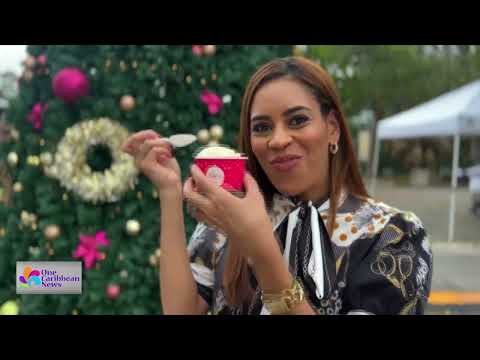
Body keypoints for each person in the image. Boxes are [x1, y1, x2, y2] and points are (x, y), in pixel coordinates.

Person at [121, 56, 433, 315]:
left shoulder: (391, 234)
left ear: (332, 129)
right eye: (262, 127)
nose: (278, 140)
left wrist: (260, 249)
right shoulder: (227, 216)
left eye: (297, 120)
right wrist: (169, 192)